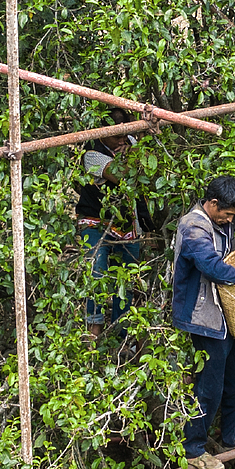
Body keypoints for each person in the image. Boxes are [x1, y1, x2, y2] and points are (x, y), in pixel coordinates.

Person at [172, 176, 235, 469]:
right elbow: (210, 266)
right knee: (209, 386)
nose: (230, 220)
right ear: (213, 204)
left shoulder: (224, 222)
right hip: (204, 316)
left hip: (229, 313)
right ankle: (193, 449)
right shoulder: (193, 226)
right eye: (228, 214)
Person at [74, 110, 154, 335]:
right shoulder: (91, 153)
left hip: (128, 222)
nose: (121, 140)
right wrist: (130, 157)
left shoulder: (130, 142)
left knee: (126, 279)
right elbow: (122, 175)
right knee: (96, 273)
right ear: (102, 133)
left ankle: (121, 331)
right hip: (95, 221)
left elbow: (148, 170)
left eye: (124, 135)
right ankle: (95, 328)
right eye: (116, 136)